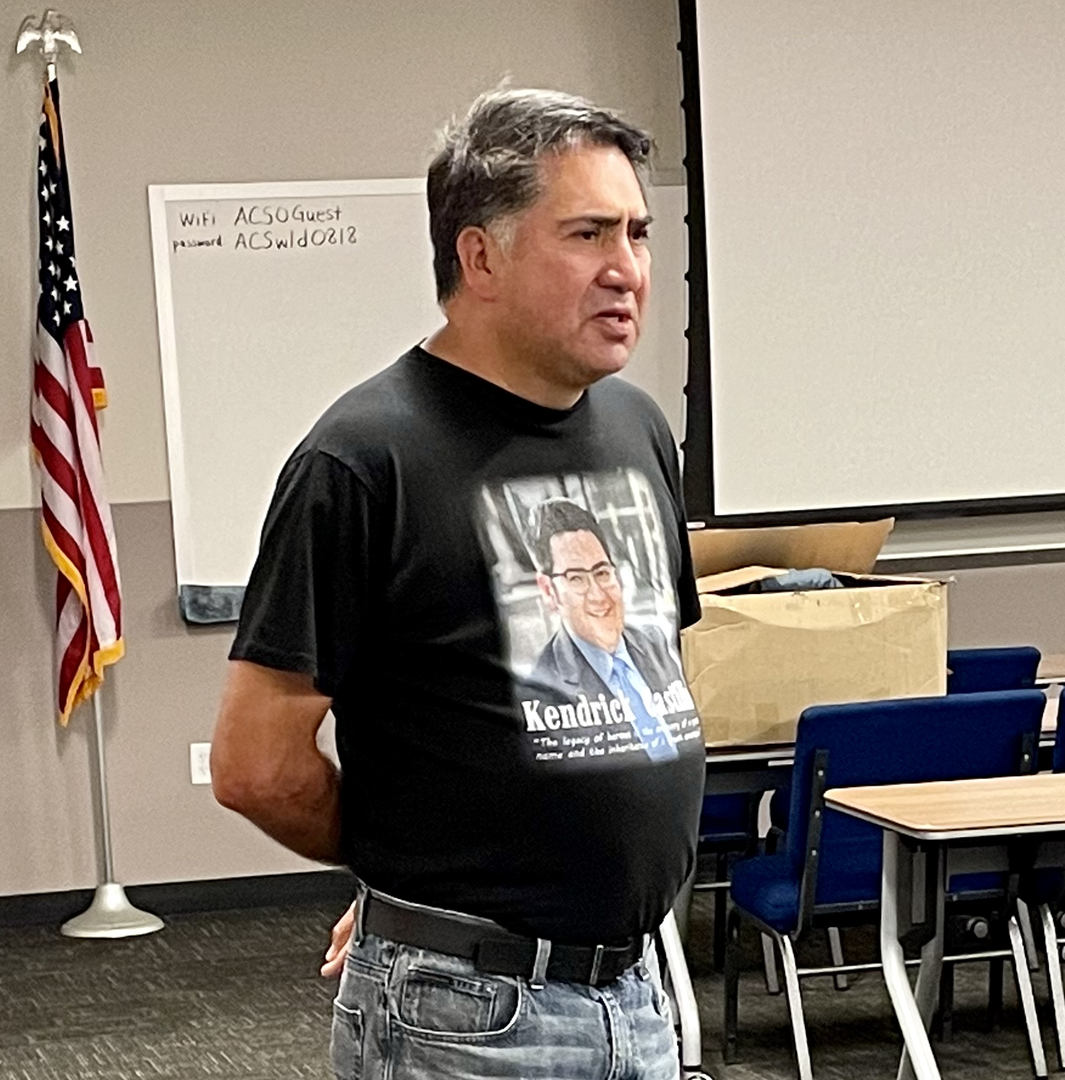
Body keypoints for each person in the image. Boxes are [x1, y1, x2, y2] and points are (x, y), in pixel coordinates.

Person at [209, 88, 700, 1080]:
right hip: (468, 1022)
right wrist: (417, 883)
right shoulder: (364, 459)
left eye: (639, 235)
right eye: (588, 234)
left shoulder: (637, 429)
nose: (628, 271)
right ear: (481, 257)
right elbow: (256, 765)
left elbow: (655, 686)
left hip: (641, 995)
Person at [520, 496, 687, 762]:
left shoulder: (657, 645)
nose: (598, 595)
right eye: (576, 579)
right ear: (549, 591)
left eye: (602, 573)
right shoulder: (541, 691)